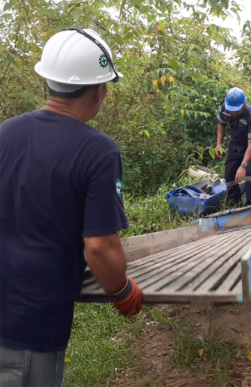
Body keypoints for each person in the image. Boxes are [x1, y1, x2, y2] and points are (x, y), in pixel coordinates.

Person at [0, 27, 142, 386]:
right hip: (31, 329)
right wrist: (121, 290)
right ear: (99, 89)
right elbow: (99, 246)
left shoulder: (6, 133)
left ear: (49, 80)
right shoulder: (98, 150)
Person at [216, 87, 251, 206]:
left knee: (250, 175)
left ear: (244, 105)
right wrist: (218, 144)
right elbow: (221, 124)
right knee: (229, 174)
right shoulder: (226, 108)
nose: (232, 113)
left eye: (236, 111)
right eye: (231, 110)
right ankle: (235, 202)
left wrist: (243, 165)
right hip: (236, 143)